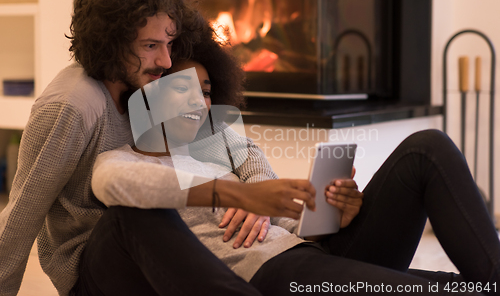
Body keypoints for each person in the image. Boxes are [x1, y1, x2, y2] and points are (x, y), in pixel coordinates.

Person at [88, 41, 500, 295]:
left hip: (311, 250)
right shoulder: (122, 160)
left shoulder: (219, 146)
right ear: (148, 96)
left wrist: (334, 212)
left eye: (207, 92)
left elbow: (292, 222)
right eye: (182, 90)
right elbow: (113, 185)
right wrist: (238, 194)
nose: (200, 103)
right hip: (272, 273)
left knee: (427, 147)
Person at [0, 0, 279, 295]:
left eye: (169, 43)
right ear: (111, 42)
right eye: (150, 46)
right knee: (134, 209)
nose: (165, 60)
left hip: (161, 253)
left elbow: (238, 147)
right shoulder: (71, 107)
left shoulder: (146, 79)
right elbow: (18, 221)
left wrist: (258, 196)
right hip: (97, 266)